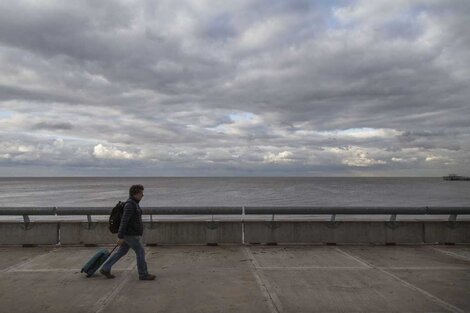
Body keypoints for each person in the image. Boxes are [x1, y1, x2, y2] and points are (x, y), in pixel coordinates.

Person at [100, 184, 156, 280]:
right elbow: (124, 221)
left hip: (130, 234)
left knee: (121, 251)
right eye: (141, 193)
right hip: (131, 235)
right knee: (141, 252)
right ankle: (143, 274)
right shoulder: (130, 205)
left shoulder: (134, 203)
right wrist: (120, 236)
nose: (143, 195)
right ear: (135, 194)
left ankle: (105, 268)